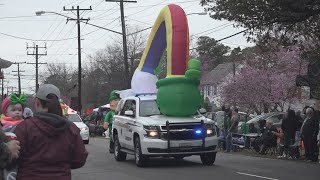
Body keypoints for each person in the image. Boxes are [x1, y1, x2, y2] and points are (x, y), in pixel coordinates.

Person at [14, 84, 88, 180]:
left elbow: (14, 157)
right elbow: (79, 159)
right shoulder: (71, 128)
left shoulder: (24, 127)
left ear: (37, 102)